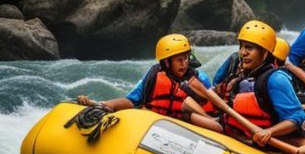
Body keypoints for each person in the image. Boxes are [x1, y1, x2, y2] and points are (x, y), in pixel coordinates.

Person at [76, 34, 217, 131]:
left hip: (188, 125)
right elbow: (132, 101)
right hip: (154, 123)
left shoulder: (199, 78)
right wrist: (101, 105)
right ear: (167, 62)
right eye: (179, 60)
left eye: (186, 58)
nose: (184, 63)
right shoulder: (154, 76)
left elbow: (213, 105)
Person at [208, 20, 305, 150]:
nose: (243, 53)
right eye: (242, 47)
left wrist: (269, 132)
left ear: (264, 53)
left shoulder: (276, 79)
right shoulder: (247, 74)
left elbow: (297, 119)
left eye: (249, 48)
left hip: (267, 142)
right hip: (241, 136)